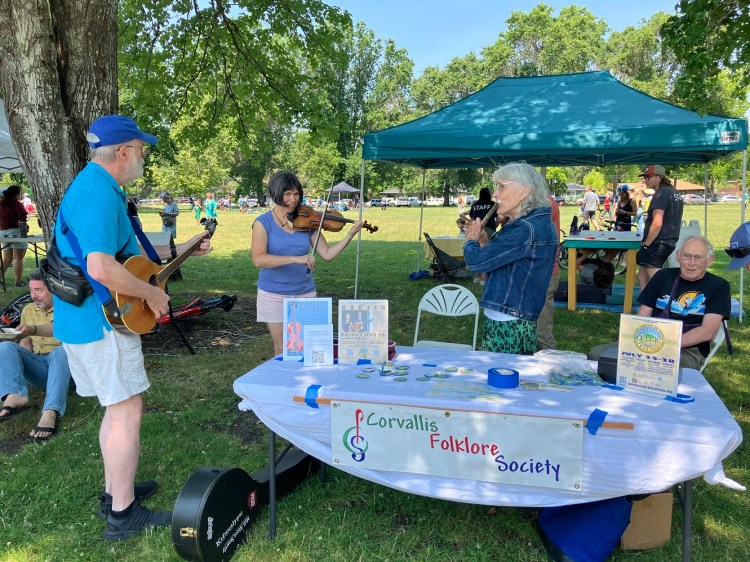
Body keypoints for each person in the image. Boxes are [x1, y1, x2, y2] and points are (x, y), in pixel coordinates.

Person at [52, 114, 211, 541]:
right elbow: (101, 266)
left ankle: (114, 491)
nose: (143, 157)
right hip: (100, 320)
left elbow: (124, 256)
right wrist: (155, 295)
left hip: (87, 318)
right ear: (123, 151)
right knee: (127, 411)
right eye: (141, 149)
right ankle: (123, 514)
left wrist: (181, 255)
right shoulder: (98, 194)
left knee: (116, 407)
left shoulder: (97, 187)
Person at [251, 171, 363, 356]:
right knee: (282, 349)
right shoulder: (262, 223)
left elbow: (327, 254)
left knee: (309, 348)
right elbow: (259, 259)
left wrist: (350, 234)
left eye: (296, 194)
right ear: (275, 193)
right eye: (287, 194)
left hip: (305, 293)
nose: (293, 199)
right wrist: (296, 258)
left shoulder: (307, 221)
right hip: (273, 295)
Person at [463, 162, 558, 354]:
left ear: (524, 191)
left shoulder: (525, 228)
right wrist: (483, 242)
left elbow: (476, 262)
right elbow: (503, 263)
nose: (495, 194)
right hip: (513, 315)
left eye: (501, 187)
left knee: (501, 377)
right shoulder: (532, 223)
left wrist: (470, 241)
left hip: (509, 319)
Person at [637, 236, 730, 371]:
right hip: (649, 341)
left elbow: (707, 332)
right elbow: (643, 314)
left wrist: (665, 344)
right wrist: (637, 342)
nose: (691, 263)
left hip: (689, 350)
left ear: (710, 260)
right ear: (678, 256)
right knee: (598, 355)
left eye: (698, 257)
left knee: (653, 365)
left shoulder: (719, 286)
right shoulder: (662, 276)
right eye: (686, 256)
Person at [0, 269, 73, 440]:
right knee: (6, 347)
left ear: (53, 289)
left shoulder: (67, 307)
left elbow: (60, 329)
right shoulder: (28, 310)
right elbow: (27, 342)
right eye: (31, 290)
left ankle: (50, 412)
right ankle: (14, 395)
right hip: (40, 365)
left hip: (67, 368)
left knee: (61, 350)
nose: (33, 296)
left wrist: (33, 329)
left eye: (38, 290)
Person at [636, 165, 684, 290]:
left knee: (657, 280)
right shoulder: (674, 192)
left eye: (648, 177)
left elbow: (657, 223)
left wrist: (646, 245)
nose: (645, 180)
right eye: (644, 177)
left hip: (657, 242)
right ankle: (646, 305)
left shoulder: (661, 194)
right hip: (669, 240)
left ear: (659, 177)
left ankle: (665, 305)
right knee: (642, 276)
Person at [537, 194, 561, 350]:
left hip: (544, 273)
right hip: (535, 272)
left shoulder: (543, 202)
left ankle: (552, 368)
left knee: (541, 331)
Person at [0, 184, 29, 287]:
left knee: (6, 259)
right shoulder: (16, 204)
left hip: (3, 232)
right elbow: (22, 216)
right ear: (17, 194)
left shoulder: (1, 203)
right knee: (18, 258)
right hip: (15, 231)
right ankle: (17, 281)